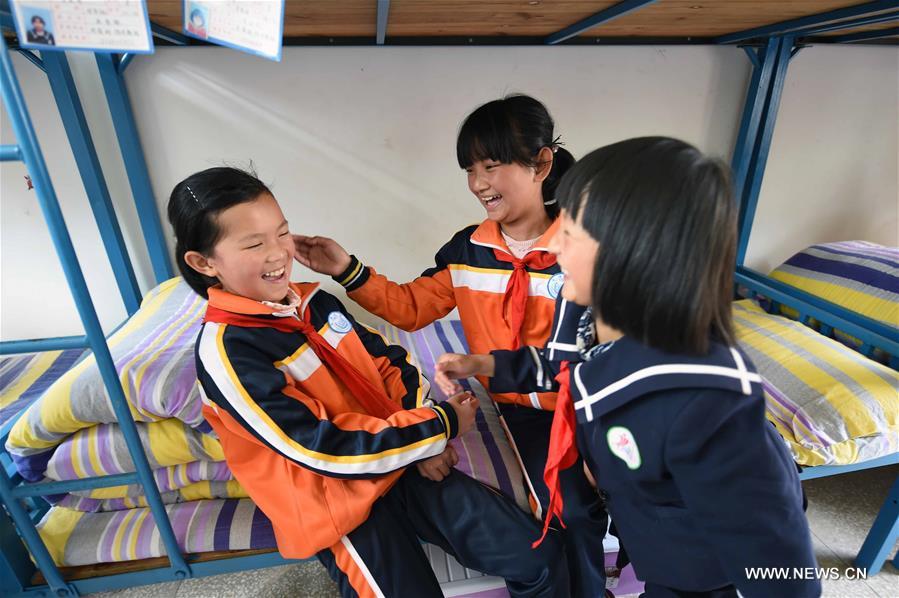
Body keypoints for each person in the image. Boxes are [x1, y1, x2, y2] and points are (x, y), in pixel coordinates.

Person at [435, 137, 821, 598]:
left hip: (701, 575)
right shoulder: (583, 315)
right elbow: (559, 366)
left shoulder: (706, 408)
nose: (553, 239)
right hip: (655, 541)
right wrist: (482, 364)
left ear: (635, 255)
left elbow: (786, 573)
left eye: (572, 230)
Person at [169, 166, 569, 597]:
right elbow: (317, 447)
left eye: (282, 234)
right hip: (336, 503)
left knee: (539, 556)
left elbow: (392, 362)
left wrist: (423, 442)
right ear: (203, 262)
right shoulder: (229, 351)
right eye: (254, 244)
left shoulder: (314, 302)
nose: (277, 254)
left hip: (401, 462)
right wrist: (440, 427)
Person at [294, 94, 610, 597]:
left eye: (493, 164)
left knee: (628, 493)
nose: (479, 183)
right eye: (470, 169)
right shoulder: (467, 251)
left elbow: (612, 345)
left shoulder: (586, 244)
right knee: (566, 507)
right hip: (523, 410)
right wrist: (346, 269)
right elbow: (410, 308)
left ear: (541, 163)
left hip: (590, 403)